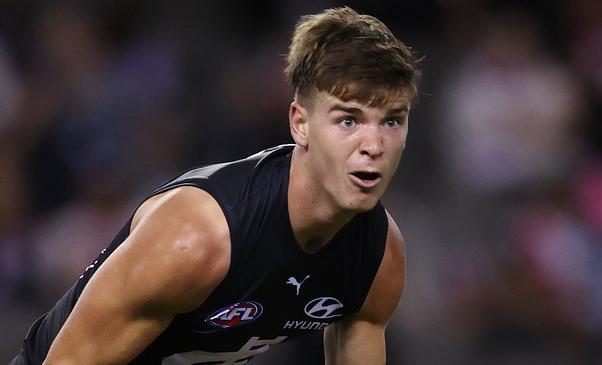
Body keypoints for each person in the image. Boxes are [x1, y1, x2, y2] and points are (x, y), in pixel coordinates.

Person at [11, 6, 420, 364]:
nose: (374, 146)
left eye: (392, 121)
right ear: (300, 123)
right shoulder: (197, 239)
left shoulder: (377, 256)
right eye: (348, 120)